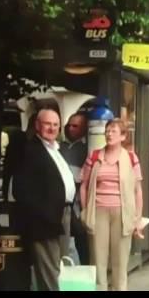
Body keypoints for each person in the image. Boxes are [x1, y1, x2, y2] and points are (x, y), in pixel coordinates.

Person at [13, 108, 76, 291]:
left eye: (55, 124)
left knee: (59, 268)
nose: (52, 128)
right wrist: (44, 214)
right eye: (47, 124)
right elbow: (21, 190)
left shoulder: (56, 148)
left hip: (63, 215)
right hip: (45, 221)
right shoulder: (30, 151)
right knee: (50, 274)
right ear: (38, 125)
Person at [80, 118, 145, 291]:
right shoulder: (94, 156)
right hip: (98, 211)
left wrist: (137, 219)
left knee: (120, 261)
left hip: (122, 214)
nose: (109, 134)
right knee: (98, 260)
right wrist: (85, 210)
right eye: (107, 130)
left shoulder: (131, 158)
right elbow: (84, 185)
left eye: (114, 131)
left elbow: (138, 190)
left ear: (123, 136)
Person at [60, 112, 90, 265]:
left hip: (78, 201)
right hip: (62, 200)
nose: (70, 129)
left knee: (80, 235)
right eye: (69, 125)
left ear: (84, 128)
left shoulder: (88, 148)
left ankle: (84, 270)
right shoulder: (60, 147)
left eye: (75, 126)